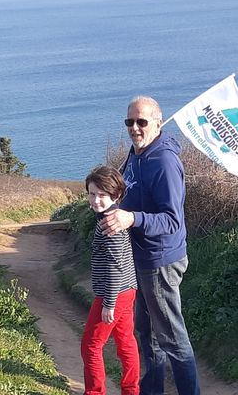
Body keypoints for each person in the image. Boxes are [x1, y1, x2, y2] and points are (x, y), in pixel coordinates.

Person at [100, 96, 201, 395]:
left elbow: (172, 220)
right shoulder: (136, 153)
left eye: (142, 122)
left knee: (171, 337)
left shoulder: (165, 162)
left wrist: (132, 218)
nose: (134, 128)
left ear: (158, 122)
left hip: (160, 261)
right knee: (146, 332)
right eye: (129, 122)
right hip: (140, 258)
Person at [81, 165, 140, 395]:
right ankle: (131, 390)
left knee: (91, 345)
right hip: (128, 289)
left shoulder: (109, 225)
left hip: (114, 293)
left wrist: (109, 303)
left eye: (102, 195)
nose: (96, 200)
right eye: (92, 193)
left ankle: (94, 392)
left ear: (116, 196)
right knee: (126, 343)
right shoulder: (111, 217)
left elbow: (115, 267)